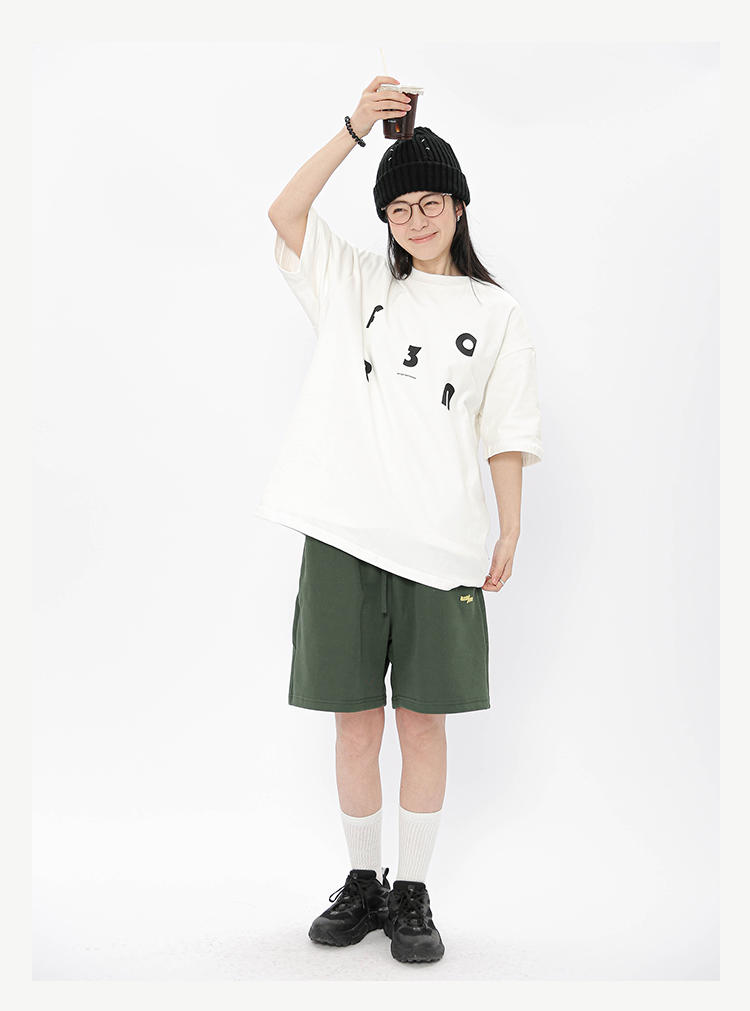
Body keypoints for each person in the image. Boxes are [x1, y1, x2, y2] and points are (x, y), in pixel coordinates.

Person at [254, 77, 544, 964]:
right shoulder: (354, 286)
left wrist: (509, 528)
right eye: (400, 208)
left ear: (459, 206)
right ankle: (363, 879)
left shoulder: (497, 313)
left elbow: (506, 430)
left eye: (431, 203)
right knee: (354, 722)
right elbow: (285, 212)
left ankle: (412, 889)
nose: (417, 219)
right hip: (344, 534)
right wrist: (355, 128)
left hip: (443, 546)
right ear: (384, 218)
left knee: (423, 721)